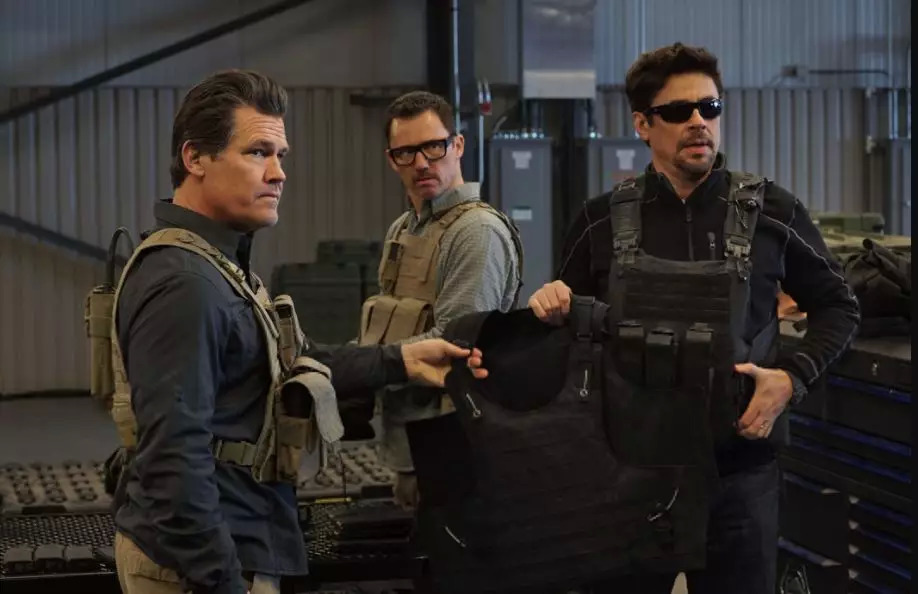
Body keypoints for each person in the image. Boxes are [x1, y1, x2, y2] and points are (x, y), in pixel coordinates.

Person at [109, 70, 486, 594]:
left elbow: (293, 362)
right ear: (195, 158)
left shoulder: (217, 266)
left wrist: (402, 360)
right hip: (206, 564)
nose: (278, 173)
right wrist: (222, 581)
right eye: (258, 153)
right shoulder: (186, 284)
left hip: (233, 541)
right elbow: (172, 462)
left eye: (280, 155)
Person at [528, 43, 860, 594]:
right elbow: (568, 337)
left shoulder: (774, 213)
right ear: (642, 124)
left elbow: (840, 307)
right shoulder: (599, 221)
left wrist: (791, 378)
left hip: (740, 478)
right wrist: (551, 306)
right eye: (679, 111)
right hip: (627, 479)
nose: (699, 122)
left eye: (710, 108)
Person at [357, 90, 523, 509]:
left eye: (433, 147)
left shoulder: (475, 232)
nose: (421, 163)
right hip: (408, 441)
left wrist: (359, 365)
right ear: (391, 159)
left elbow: (455, 341)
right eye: (406, 153)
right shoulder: (404, 228)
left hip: (456, 443)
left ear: (458, 145)